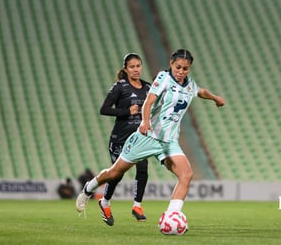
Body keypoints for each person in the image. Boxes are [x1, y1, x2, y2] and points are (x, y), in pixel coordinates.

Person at [76, 49, 225, 222]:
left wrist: (215, 98)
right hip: (147, 136)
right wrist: (145, 122)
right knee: (115, 172)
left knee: (186, 174)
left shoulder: (189, 84)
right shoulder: (164, 78)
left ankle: (172, 216)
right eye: (178, 67)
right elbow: (148, 101)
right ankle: (89, 188)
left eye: (185, 69)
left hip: (169, 142)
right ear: (171, 63)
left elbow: (200, 91)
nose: (181, 72)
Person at [98, 53, 151, 225]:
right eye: (132, 67)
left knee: (143, 169)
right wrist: (127, 112)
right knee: (116, 175)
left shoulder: (148, 87)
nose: (136, 70)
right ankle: (105, 202)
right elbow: (104, 109)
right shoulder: (120, 87)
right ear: (126, 69)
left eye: (138, 66)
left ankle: (137, 206)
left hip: (139, 139)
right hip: (120, 138)